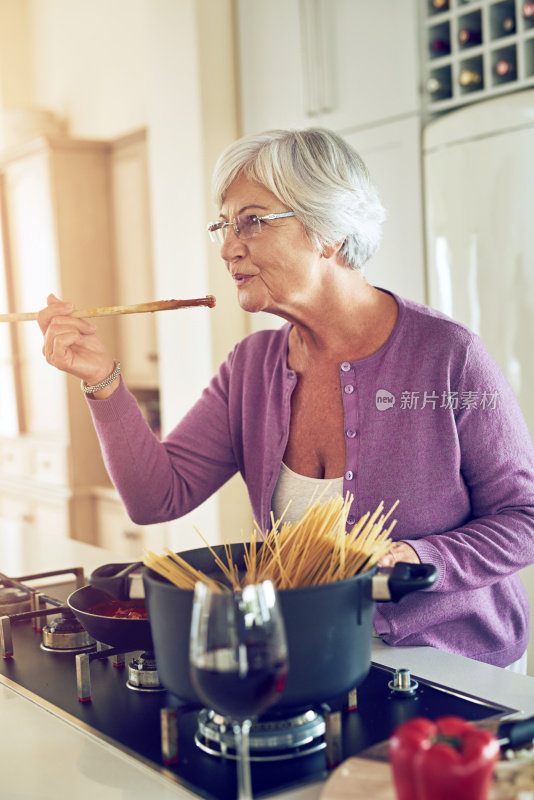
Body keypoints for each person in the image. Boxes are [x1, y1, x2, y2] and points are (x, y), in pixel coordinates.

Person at [39, 127, 534, 673]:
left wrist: (417, 557)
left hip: (456, 663)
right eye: (223, 226)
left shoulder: (447, 353)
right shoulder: (251, 367)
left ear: (329, 231)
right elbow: (157, 499)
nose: (229, 246)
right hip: (312, 657)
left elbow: (523, 517)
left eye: (252, 221)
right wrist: (102, 380)